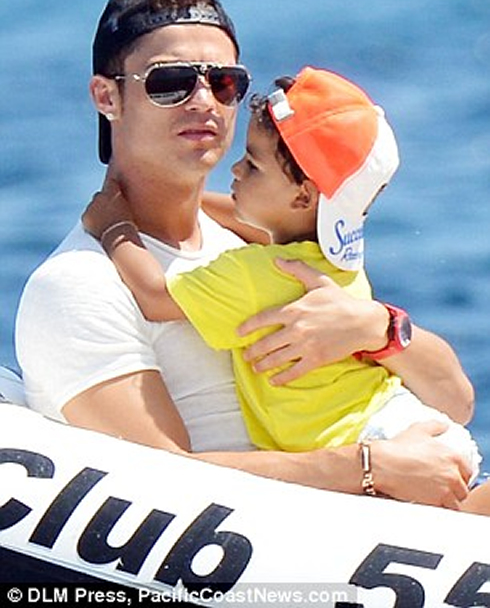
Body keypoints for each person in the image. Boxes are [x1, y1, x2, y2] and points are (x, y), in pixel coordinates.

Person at [14, 0, 480, 510]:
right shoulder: (77, 286)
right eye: (170, 82)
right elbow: (155, 476)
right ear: (106, 96)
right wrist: (368, 468)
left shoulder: (259, 243)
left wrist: (377, 327)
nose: (204, 101)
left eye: (225, 82)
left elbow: (458, 400)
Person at [81, 66, 481, 484]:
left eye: (252, 166)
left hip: (378, 443)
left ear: (303, 196)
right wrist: (187, 205)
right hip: (409, 424)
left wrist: (115, 226)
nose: (235, 170)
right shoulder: (336, 259)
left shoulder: (252, 275)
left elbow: (155, 295)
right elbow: (257, 223)